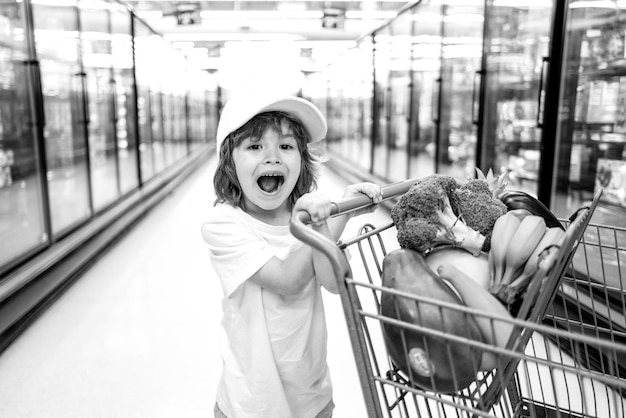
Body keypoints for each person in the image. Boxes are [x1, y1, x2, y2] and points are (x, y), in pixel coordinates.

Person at [201, 93, 382, 418]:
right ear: (229, 162)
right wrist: (312, 218)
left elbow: (333, 281)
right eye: (255, 146)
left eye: (286, 146)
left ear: (302, 160)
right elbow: (287, 281)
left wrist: (341, 211)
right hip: (251, 402)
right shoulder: (224, 225)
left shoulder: (307, 217)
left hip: (311, 397)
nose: (272, 157)